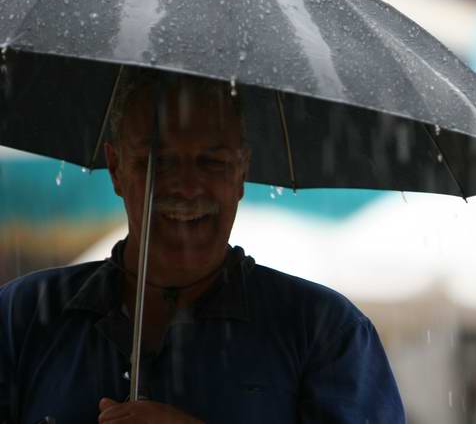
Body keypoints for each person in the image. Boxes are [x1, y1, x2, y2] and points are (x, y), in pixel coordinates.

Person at [0, 70, 405, 423]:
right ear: (116, 168)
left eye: (212, 163)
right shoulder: (21, 319)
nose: (186, 187)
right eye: (157, 162)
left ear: (242, 171)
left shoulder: (327, 334)